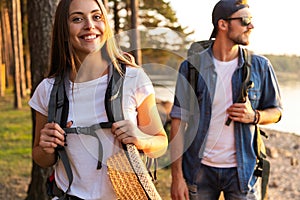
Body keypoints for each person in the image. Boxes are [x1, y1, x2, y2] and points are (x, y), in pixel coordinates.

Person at [29, 0, 168, 199]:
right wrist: (46, 146)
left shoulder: (133, 78)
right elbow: (42, 158)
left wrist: (141, 138)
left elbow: (161, 144)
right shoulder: (48, 90)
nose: (89, 25)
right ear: (63, 29)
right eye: (77, 19)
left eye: (96, 17)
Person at [170, 0, 282, 199]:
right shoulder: (191, 68)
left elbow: (276, 111)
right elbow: (178, 123)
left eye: (251, 20)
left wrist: (254, 116)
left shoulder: (261, 66)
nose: (251, 26)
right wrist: (177, 177)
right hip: (198, 171)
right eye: (245, 20)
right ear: (222, 24)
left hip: (242, 173)